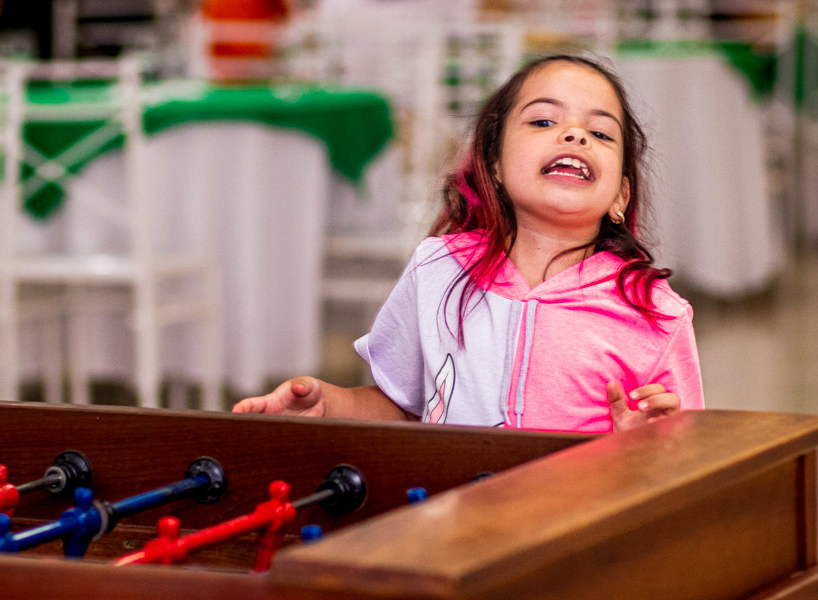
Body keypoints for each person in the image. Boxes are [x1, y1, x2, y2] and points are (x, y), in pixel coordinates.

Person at [233, 54, 705, 433]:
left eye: (600, 133)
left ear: (621, 194)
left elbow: (686, 459)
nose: (574, 134)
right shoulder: (439, 268)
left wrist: (645, 447)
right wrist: (328, 407)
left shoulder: (655, 313)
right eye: (543, 121)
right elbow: (403, 409)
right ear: (494, 165)